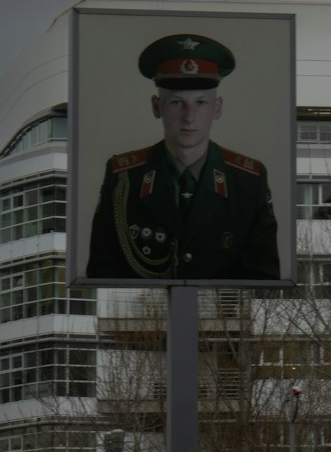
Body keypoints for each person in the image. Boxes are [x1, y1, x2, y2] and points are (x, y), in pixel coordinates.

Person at [86, 33, 280, 281]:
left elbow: (264, 278)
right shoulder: (123, 178)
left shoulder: (248, 180)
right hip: (145, 314)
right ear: (157, 107)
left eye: (201, 103)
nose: (189, 117)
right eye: (177, 103)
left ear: (217, 108)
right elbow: (103, 273)